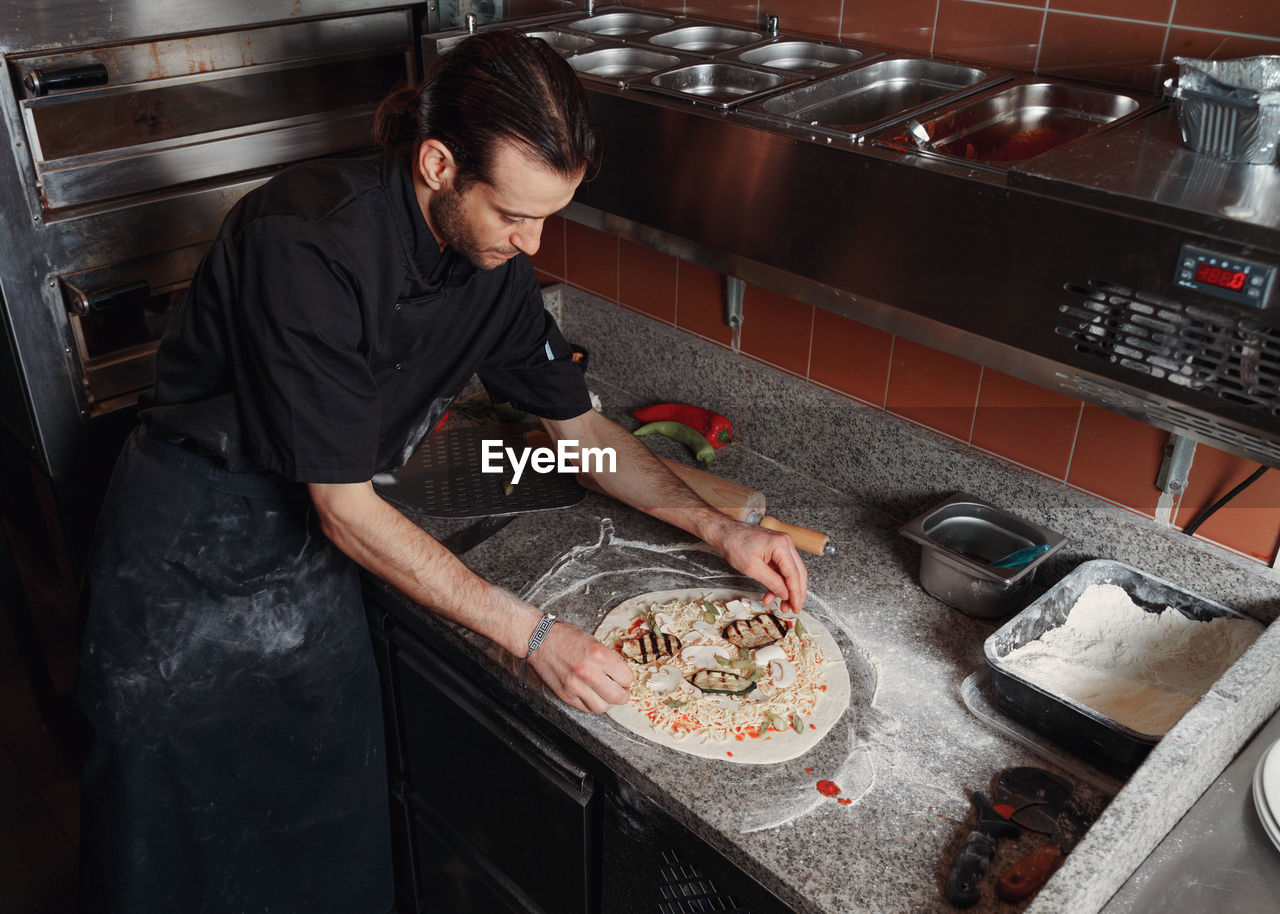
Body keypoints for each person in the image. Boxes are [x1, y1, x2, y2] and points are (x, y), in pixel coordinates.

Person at [77, 29, 807, 914]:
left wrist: (721, 526)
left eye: (549, 216)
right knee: (186, 857)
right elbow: (346, 509)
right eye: (514, 213)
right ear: (436, 163)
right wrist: (536, 635)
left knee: (331, 831)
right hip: (192, 550)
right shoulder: (305, 242)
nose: (532, 241)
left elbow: (580, 430)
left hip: (312, 562)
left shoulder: (491, 263)